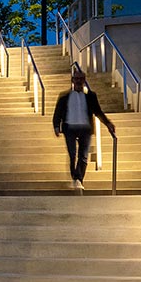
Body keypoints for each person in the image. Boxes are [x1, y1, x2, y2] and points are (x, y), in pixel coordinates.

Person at [51, 63, 116, 191]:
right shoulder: (64, 96)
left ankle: (79, 179)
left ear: (84, 80)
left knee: (84, 155)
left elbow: (98, 111)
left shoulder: (91, 96)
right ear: (72, 80)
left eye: (81, 79)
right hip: (69, 127)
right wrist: (56, 126)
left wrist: (107, 123)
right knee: (72, 154)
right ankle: (75, 177)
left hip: (85, 128)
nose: (79, 81)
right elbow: (57, 112)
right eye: (77, 79)